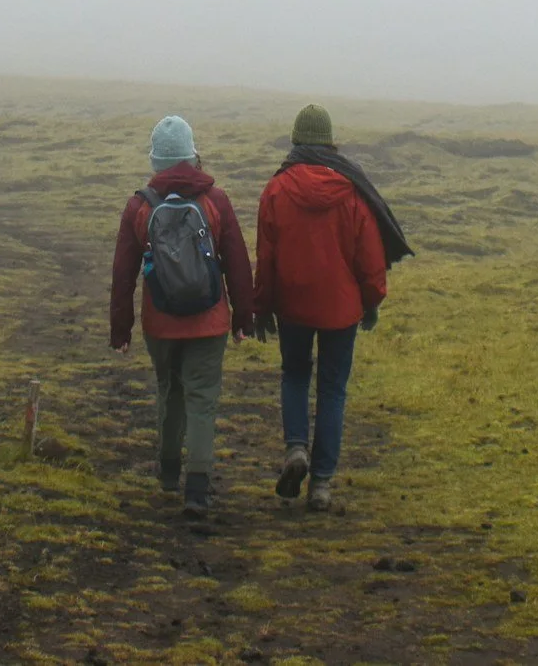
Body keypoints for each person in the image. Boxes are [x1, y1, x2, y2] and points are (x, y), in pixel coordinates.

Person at [252, 104, 411, 511]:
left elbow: (266, 257)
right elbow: (369, 258)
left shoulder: (276, 189)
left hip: (292, 306)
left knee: (294, 375)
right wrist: (372, 301)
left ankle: (295, 450)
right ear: (329, 141)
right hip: (341, 310)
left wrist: (263, 306)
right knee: (332, 390)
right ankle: (321, 483)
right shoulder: (352, 191)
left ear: (295, 140)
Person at [109, 115, 254, 516]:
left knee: (169, 391)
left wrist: (121, 328)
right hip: (210, 321)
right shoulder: (216, 201)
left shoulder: (139, 205)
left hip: (161, 322)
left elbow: (123, 274)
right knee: (202, 398)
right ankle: (198, 485)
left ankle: (170, 473)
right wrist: (244, 317)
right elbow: (238, 263)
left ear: (155, 159)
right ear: (192, 155)